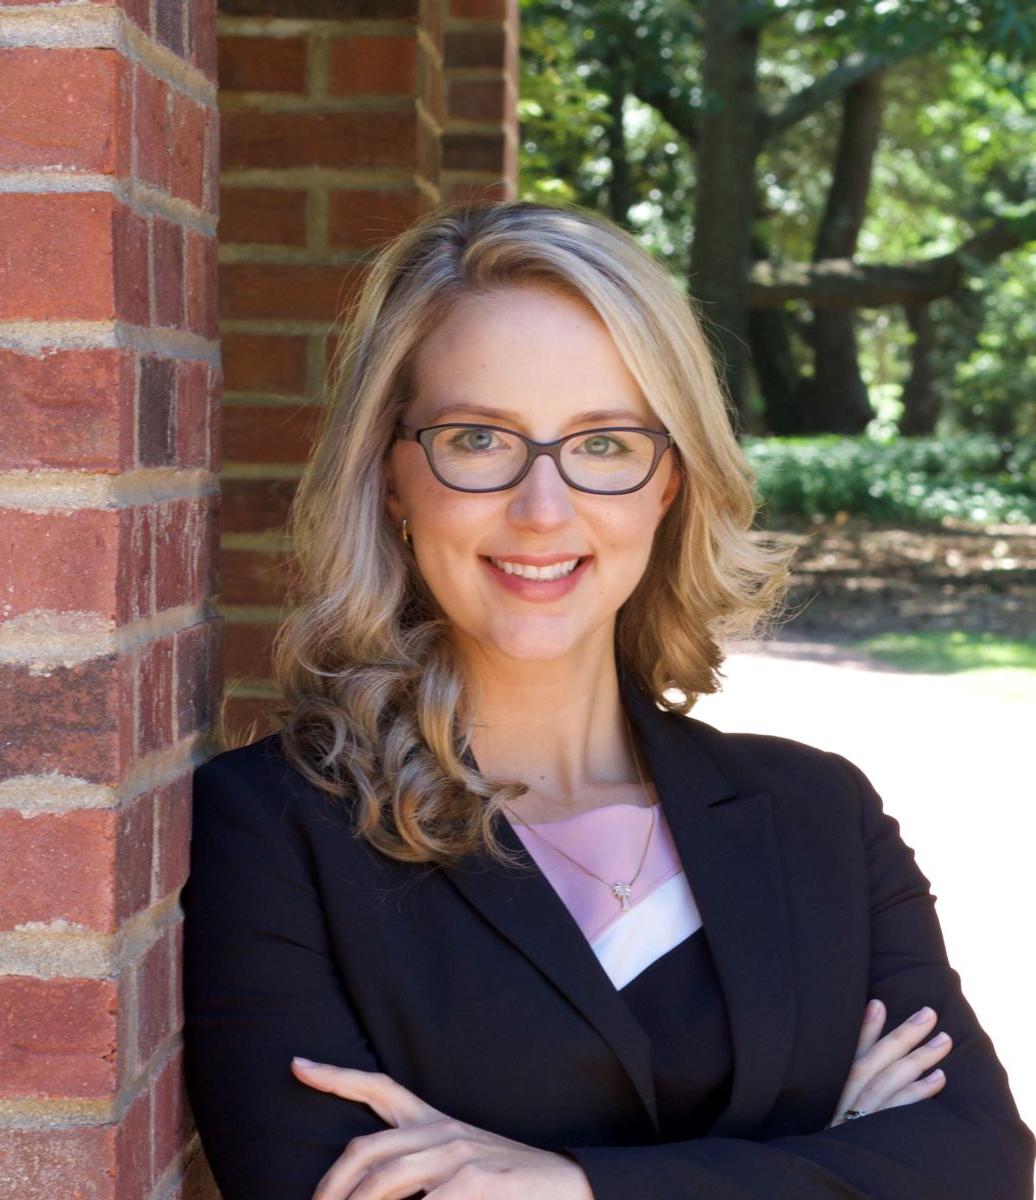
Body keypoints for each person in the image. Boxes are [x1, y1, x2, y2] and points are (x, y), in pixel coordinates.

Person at [181, 199, 1034, 1200]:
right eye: (477, 438)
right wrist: (833, 1156)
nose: (544, 511)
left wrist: (567, 1185)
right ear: (391, 477)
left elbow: (976, 1167)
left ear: (669, 479)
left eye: (603, 445)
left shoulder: (818, 815)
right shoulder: (278, 831)